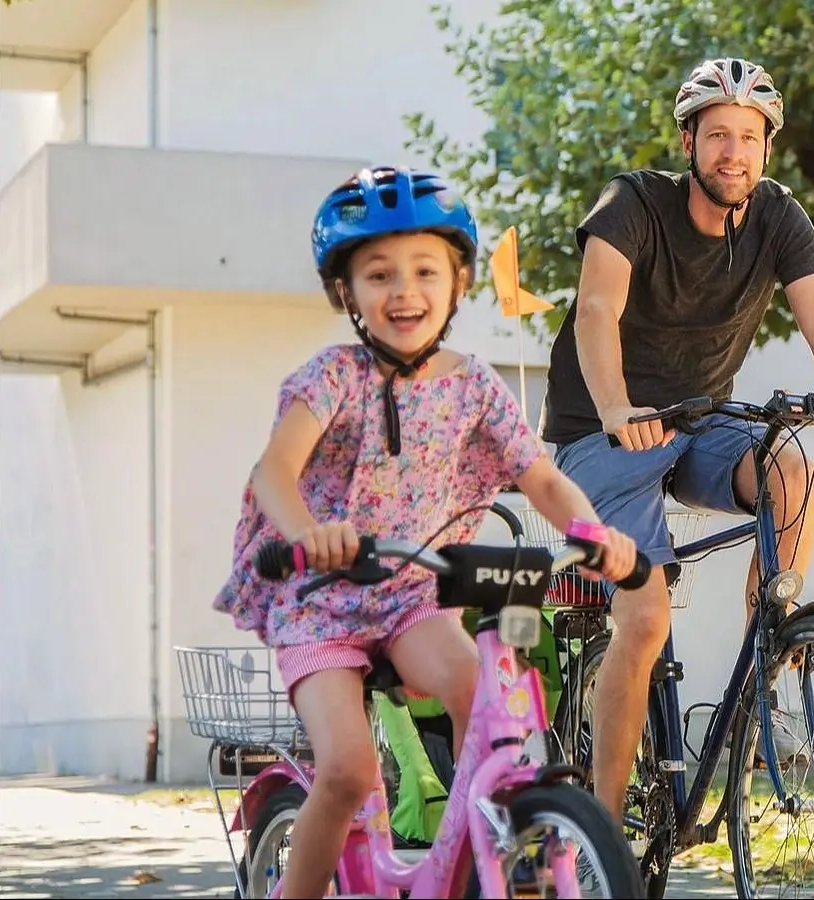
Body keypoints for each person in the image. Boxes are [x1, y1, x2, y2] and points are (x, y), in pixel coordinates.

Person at [212, 166, 639, 898]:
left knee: (488, 702)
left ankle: (491, 855)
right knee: (347, 768)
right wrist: (311, 532)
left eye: (423, 270)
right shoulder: (332, 377)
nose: (403, 290)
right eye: (378, 274)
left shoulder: (473, 384)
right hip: (319, 598)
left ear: (459, 281)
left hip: (411, 593)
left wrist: (592, 529)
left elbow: (538, 475)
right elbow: (274, 473)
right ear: (346, 293)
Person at [538, 57, 814, 821]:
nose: (733, 153)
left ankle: (765, 659)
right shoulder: (634, 203)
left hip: (702, 419)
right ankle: (606, 831)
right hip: (605, 432)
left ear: (767, 148)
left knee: (789, 463)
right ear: (689, 142)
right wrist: (615, 410)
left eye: (749, 137)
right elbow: (594, 313)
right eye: (717, 135)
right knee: (645, 619)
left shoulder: (778, 215)